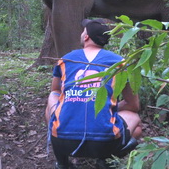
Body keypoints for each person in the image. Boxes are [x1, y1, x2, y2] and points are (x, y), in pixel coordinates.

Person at [45, 19, 142, 169]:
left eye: (84, 30)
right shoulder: (120, 63)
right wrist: (107, 106)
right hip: (105, 142)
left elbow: (55, 90)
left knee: (53, 95)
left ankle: (62, 162)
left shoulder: (65, 59)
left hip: (63, 140)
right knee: (136, 123)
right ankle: (106, 160)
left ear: (86, 37)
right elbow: (133, 105)